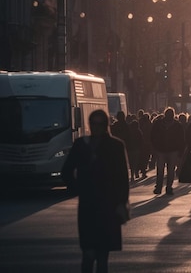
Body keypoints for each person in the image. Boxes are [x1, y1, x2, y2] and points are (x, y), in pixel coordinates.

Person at [61, 110, 130, 273]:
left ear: (105, 125)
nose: (96, 127)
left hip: (108, 206)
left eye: (100, 124)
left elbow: (122, 178)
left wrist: (122, 202)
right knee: (89, 253)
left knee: (101, 255)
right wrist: (78, 188)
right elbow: (66, 171)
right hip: (89, 206)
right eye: (93, 124)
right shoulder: (81, 145)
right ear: (89, 124)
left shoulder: (116, 145)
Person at [150, 107, 185, 195]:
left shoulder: (159, 124)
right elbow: (181, 139)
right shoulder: (177, 125)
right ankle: (166, 187)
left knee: (164, 170)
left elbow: (152, 136)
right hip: (166, 150)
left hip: (167, 150)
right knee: (168, 170)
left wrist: (154, 147)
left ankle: (163, 187)